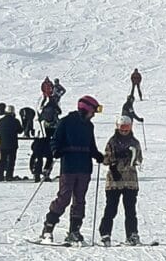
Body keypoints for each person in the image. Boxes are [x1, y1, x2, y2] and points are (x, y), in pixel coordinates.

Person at [40, 96, 100, 242]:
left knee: (80, 200)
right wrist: (56, 150)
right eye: (94, 111)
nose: (94, 114)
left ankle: (74, 230)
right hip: (69, 166)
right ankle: (48, 227)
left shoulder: (89, 126)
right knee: (64, 198)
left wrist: (98, 155)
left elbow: (91, 146)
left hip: (84, 167)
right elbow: (55, 140)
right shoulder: (66, 121)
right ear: (86, 109)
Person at [98, 115, 144, 244]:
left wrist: (132, 157)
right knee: (111, 208)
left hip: (130, 181)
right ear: (117, 127)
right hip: (114, 181)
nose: (124, 131)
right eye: (122, 128)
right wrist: (114, 161)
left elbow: (139, 160)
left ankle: (132, 234)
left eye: (127, 128)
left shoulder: (135, 142)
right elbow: (106, 159)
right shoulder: (112, 142)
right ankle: (105, 233)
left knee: (130, 210)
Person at [0, 103, 19, 180]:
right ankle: (9, 176)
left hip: (3, 143)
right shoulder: (15, 121)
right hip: (13, 144)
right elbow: (20, 130)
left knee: (2, 160)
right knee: (11, 161)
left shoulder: (1, 120)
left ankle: (0, 176)